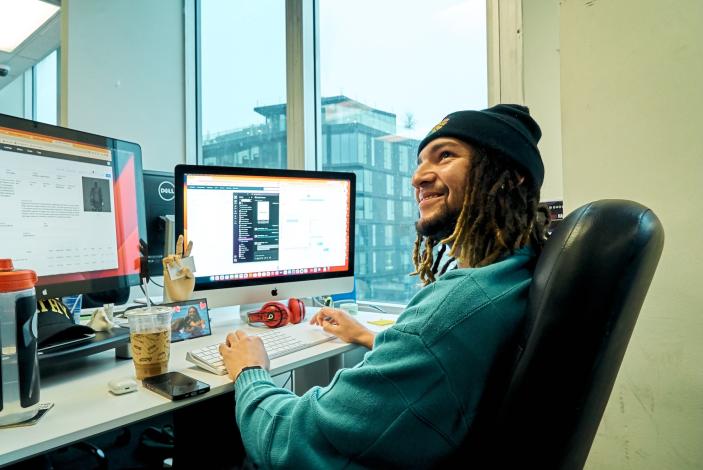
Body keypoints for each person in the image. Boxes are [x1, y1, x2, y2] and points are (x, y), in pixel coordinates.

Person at [218, 104, 550, 468]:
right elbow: (446, 362)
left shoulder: (452, 309)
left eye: (446, 156)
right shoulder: (513, 276)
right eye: (421, 161)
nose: (419, 177)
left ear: (510, 175)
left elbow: (291, 439)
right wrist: (369, 337)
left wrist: (250, 371)